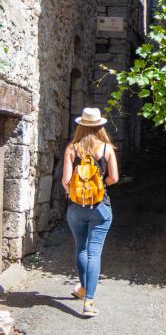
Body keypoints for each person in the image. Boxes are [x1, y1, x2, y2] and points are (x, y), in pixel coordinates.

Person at [61, 107, 119, 317]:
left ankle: (83, 288)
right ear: (99, 126)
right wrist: (99, 185)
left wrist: (78, 193)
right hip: (100, 208)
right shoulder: (106, 149)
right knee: (95, 252)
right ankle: (89, 302)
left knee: (81, 248)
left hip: (76, 209)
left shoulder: (72, 149)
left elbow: (66, 182)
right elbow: (114, 178)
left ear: (81, 125)